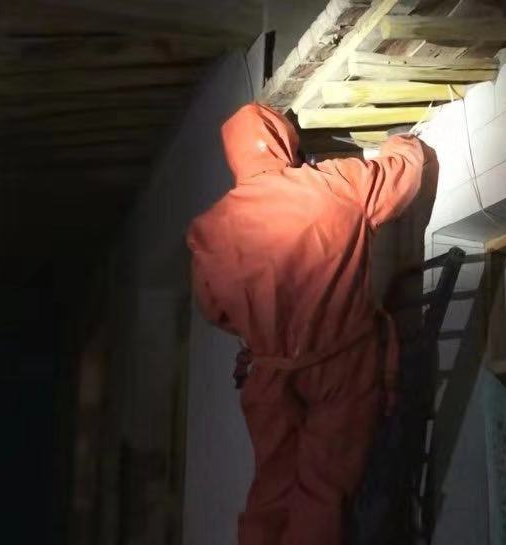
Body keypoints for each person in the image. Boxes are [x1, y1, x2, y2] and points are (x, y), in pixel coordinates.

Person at [186, 103, 436, 545]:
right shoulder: (334, 184)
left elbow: (215, 310)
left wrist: (265, 329)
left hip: (269, 377)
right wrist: (404, 140)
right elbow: (402, 176)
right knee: (322, 491)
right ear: (283, 141)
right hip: (340, 369)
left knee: (270, 492)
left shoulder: (209, 230)